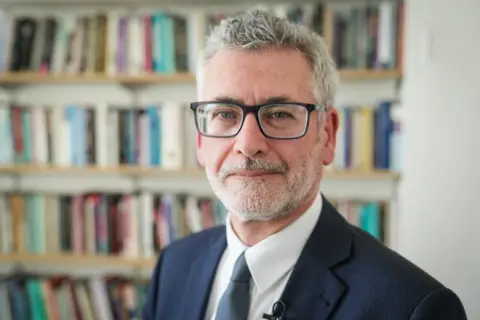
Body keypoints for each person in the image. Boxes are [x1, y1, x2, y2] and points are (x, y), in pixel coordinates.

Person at [142, 9, 467, 320]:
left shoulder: (413, 308)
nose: (248, 144)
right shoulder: (175, 265)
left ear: (327, 135)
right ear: (200, 140)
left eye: (280, 114)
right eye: (225, 114)